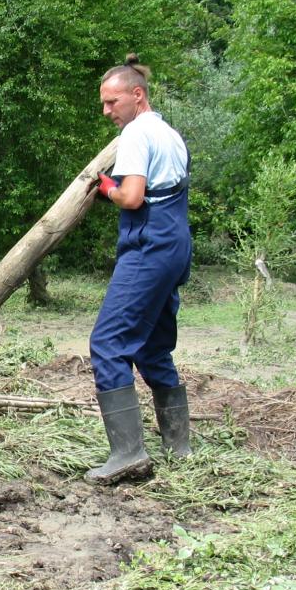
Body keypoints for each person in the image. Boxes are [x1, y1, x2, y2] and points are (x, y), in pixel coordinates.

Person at [87, 54, 192, 485]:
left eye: (113, 102)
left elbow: (131, 197)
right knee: (151, 348)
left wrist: (104, 185)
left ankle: (128, 453)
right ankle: (179, 448)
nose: (108, 112)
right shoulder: (170, 134)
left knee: (108, 343)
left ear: (137, 95)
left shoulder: (136, 134)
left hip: (148, 245)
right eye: (104, 105)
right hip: (175, 242)